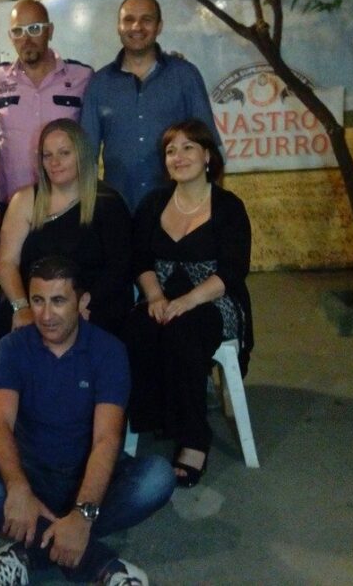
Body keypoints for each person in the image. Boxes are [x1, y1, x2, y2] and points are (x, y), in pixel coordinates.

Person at [0, 256, 175, 586]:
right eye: (38, 300)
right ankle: (102, 566)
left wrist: (84, 512)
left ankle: (25, 552)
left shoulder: (109, 351)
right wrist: (18, 488)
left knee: (157, 477)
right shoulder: (12, 347)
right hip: (31, 473)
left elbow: (106, 438)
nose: (46, 315)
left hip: (88, 474)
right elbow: (0, 422)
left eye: (58, 301)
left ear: (82, 302)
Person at [123, 119, 253, 488]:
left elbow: (233, 271)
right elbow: (140, 259)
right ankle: (154, 418)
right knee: (136, 329)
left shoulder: (228, 206)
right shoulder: (153, 204)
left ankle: (195, 438)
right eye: (171, 151)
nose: (178, 157)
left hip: (213, 299)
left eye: (188, 148)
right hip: (161, 294)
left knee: (183, 334)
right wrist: (155, 296)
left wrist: (186, 301)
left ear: (208, 155)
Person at [0, 118, 133, 414]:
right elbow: (7, 263)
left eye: (64, 153)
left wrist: (83, 304)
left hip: (94, 303)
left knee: (88, 342)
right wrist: (22, 306)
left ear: (82, 154)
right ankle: (2, 420)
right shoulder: (25, 200)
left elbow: (120, 268)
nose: (55, 162)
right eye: (47, 155)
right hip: (33, 301)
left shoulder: (108, 202)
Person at [81, 0, 221, 213]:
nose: (137, 27)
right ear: (119, 27)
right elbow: (85, 156)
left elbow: (210, 149)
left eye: (146, 19)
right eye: (129, 20)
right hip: (118, 211)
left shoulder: (185, 76)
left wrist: (212, 210)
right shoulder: (99, 84)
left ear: (159, 26)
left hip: (178, 211)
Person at [0, 0, 93, 205]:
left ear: (50, 31)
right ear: (11, 37)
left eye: (34, 29)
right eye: (18, 31)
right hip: (12, 203)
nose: (26, 39)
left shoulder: (82, 77)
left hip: (69, 201)